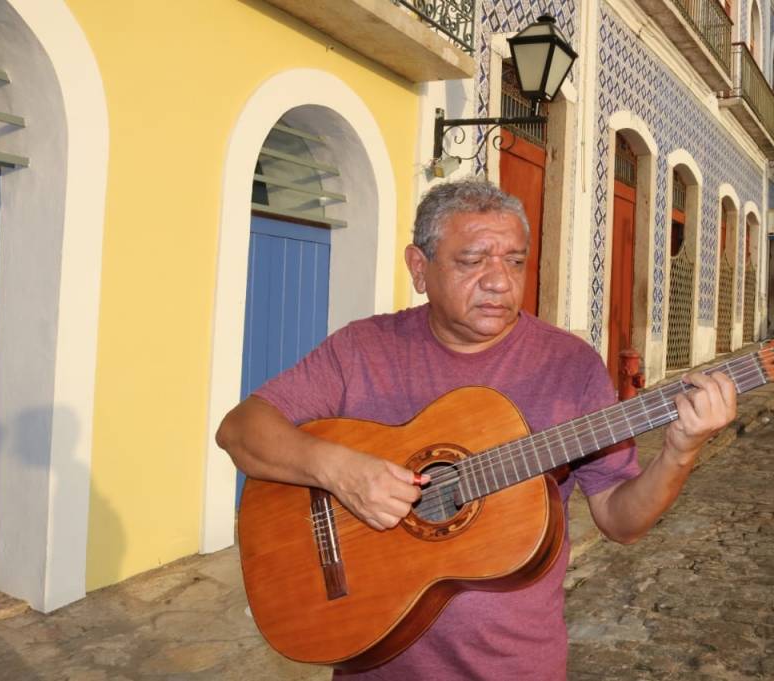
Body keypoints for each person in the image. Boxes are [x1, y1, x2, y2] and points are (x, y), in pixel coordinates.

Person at [216, 180, 737, 680]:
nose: (499, 280)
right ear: (419, 268)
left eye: (514, 261)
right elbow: (241, 430)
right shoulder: (362, 349)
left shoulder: (570, 366)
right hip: (374, 665)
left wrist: (680, 451)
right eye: (471, 261)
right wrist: (341, 471)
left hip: (512, 667)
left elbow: (621, 523)